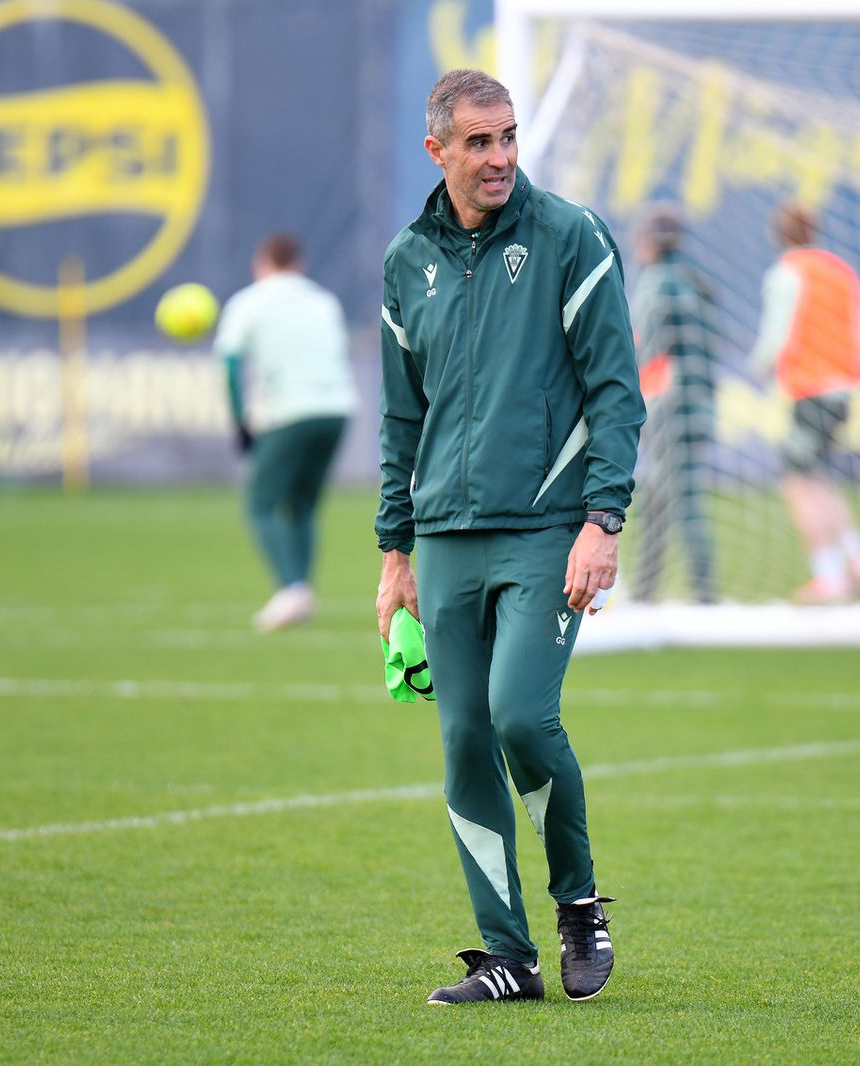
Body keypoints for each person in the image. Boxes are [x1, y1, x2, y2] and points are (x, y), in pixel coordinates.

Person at [375, 69, 645, 1005]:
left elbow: (618, 391)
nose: (498, 158)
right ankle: (507, 956)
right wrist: (393, 552)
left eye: (508, 138)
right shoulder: (408, 259)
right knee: (461, 743)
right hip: (442, 538)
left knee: (522, 719)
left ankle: (578, 904)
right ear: (438, 150)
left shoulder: (572, 236)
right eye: (479, 143)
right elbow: (401, 418)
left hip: (545, 531)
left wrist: (602, 522)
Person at [214, 233, 358, 632]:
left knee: (261, 503)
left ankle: (292, 588)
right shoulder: (323, 300)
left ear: (262, 264)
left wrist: (240, 420)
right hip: (337, 409)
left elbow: (229, 363)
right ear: (299, 264)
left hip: (287, 412)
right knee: (303, 504)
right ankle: (301, 590)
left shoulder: (249, 302)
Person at [750, 200, 860, 603]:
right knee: (818, 475)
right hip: (843, 388)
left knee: (798, 482)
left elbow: (777, 338)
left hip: (809, 389)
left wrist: (759, 367)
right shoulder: (842, 271)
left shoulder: (788, 273)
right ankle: (859, 560)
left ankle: (830, 575)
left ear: (779, 237)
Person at [627, 204, 717, 604]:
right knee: (659, 499)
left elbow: (646, 349)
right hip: (696, 404)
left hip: (667, 408)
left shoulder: (656, 286)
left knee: (679, 499)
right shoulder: (694, 283)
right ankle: (648, 589)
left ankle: (703, 593)